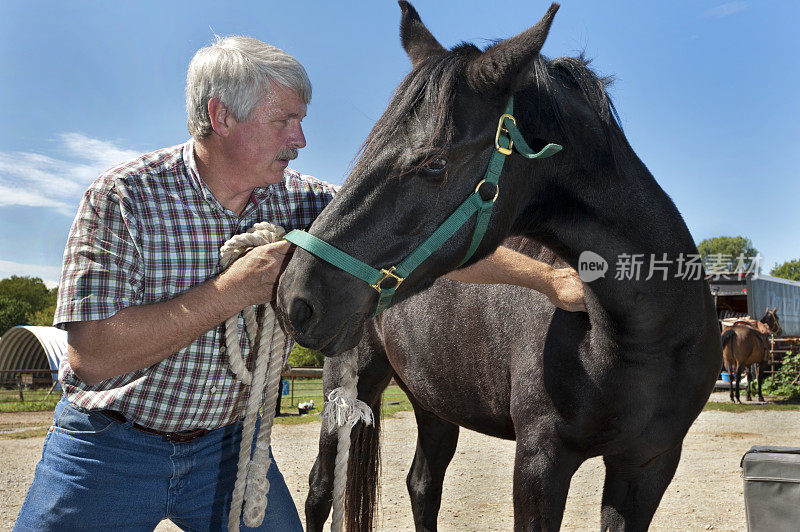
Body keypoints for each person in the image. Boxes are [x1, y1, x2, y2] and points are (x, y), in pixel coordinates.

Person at [15, 36, 585, 531]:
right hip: (108, 445)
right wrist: (235, 290)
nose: (302, 139)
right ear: (221, 116)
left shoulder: (307, 202)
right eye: (284, 120)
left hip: (227, 448)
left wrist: (548, 279)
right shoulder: (122, 199)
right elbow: (91, 356)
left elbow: (422, 248)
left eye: (302, 120)